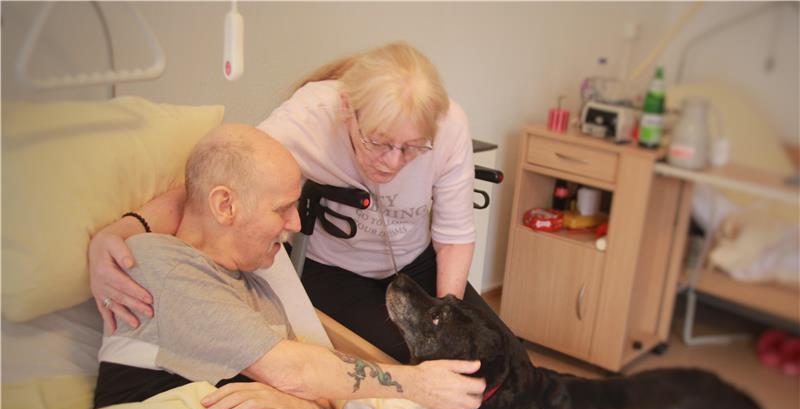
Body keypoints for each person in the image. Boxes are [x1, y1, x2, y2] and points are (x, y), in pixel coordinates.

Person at [88, 41, 502, 364]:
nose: (393, 162)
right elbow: (212, 187)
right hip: (336, 274)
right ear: (347, 109)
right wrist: (123, 229)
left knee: (494, 354)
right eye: (378, 141)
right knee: (412, 361)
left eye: (411, 149)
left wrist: (449, 320)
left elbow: (453, 236)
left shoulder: (449, 126)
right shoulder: (308, 119)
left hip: (418, 264)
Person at [92, 123, 485, 409]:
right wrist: (419, 386)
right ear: (226, 207)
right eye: (282, 208)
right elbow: (295, 371)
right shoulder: (163, 266)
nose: (296, 223)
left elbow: (326, 397)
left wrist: (298, 408)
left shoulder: (262, 282)